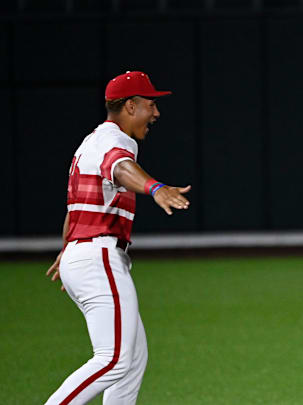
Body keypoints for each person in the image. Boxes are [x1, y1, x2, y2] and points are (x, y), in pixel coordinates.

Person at [44, 71, 191, 405]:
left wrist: (69, 249)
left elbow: (75, 209)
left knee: (132, 359)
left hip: (85, 254)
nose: (156, 113)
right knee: (114, 359)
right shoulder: (117, 142)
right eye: (150, 104)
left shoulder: (90, 142)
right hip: (98, 257)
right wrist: (156, 188)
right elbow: (120, 167)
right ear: (130, 105)